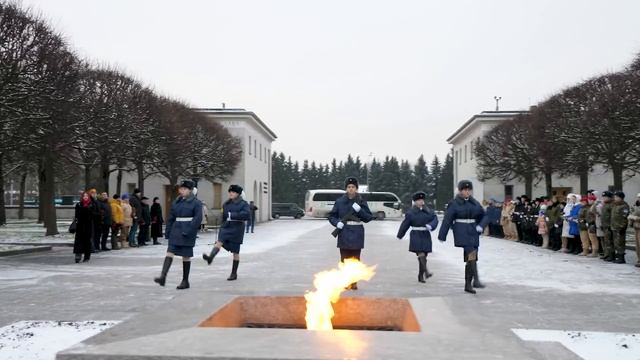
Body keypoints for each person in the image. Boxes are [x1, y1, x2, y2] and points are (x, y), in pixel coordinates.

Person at [438, 180, 490, 294]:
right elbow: (447, 219)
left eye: (468, 190)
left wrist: (481, 226)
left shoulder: (475, 203)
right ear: (460, 191)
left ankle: (468, 284)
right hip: (461, 231)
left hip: (473, 231)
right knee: (471, 253)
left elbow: (485, 215)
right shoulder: (454, 203)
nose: (467, 192)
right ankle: (476, 280)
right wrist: (442, 235)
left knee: (471, 257)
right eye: (464, 190)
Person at [327, 177, 374, 290]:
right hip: (344, 232)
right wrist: (337, 223)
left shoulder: (361, 201)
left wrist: (360, 210)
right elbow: (332, 216)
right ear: (346, 188)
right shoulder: (339, 201)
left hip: (357, 232)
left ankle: (354, 282)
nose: (351, 189)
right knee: (344, 259)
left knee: (355, 259)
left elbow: (368, 218)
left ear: (356, 188)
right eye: (349, 187)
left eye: (353, 187)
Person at [155, 180, 202, 289]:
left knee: (185, 256)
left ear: (190, 190)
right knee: (169, 252)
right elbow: (171, 217)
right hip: (176, 230)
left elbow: (197, 219)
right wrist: (168, 231)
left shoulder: (196, 203)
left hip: (187, 231)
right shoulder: (177, 202)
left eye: (184, 189)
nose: (181, 191)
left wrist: (189, 230)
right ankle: (163, 276)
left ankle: (185, 281)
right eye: (181, 189)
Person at [202, 185, 250, 281]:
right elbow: (223, 215)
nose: (231, 193)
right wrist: (221, 222)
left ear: (238, 194)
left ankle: (234, 273)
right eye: (230, 192)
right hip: (226, 227)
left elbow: (247, 215)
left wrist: (232, 215)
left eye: (233, 192)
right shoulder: (226, 204)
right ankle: (210, 257)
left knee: (235, 252)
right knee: (219, 241)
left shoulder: (243, 204)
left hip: (237, 228)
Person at [396, 191, 439, 283]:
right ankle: (426, 272)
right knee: (421, 254)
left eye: (422, 200)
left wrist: (431, 225)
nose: (421, 201)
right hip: (416, 234)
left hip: (425, 234)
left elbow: (435, 219)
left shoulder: (428, 211)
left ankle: (420, 275)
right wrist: (400, 234)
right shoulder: (411, 213)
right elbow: (405, 224)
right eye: (419, 200)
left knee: (424, 256)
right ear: (415, 202)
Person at [73, 192, 95, 263]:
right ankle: (78, 255)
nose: (85, 197)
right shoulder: (79, 204)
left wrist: (88, 209)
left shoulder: (92, 205)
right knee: (78, 241)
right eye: (84, 196)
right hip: (80, 226)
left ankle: (87, 256)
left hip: (88, 226)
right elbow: (76, 215)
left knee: (87, 241)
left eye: (86, 196)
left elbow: (94, 215)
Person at [611, 191, 630, 264]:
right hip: (614, 227)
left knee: (620, 243)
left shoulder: (624, 206)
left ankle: (621, 258)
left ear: (620, 198)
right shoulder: (615, 205)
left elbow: (624, 218)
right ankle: (618, 256)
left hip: (620, 228)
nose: (614, 198)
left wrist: (622, 227)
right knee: (616, 243)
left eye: (616, 197)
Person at [600, 191, 615, 262]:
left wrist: (610, 225)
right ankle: (607, 254)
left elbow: (612, 216)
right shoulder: (605, 204)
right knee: (606, 241)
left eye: (605, 197)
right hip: (605, 225)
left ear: (609, 197)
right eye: (603, 197)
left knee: (610, 241)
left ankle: (611, 255)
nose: (603, 198)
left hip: (609, 225)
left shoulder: (612, 205)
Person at [627, 193, 640, 268]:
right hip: (636, 227)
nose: (639, 199)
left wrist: (636, 218)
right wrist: (631, 218)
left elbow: (634, 216)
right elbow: (630, 213)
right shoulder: (635, 206)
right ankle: (639, 260)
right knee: (637, 246)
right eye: (638, 197)